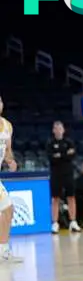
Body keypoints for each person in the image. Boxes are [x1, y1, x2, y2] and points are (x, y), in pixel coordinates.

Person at [46, 121, 80, 234]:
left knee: (71, 197)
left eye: (60, 128)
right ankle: (55, 223)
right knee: (55, 198)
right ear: (53, 131)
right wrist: (65, 154)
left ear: (63, 130)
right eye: (56, 128)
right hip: (56, 174)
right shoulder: (50, 143)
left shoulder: (69, 142)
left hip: (68, 173)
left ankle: (73, 222)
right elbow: (52, 158)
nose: (58, 130)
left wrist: (60, 155)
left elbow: (73, 155)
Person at [0, 96, 22, 264]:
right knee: (6, 210)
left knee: (8, 209)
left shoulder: (7, 125)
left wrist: (11, 161)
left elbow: (8, 150)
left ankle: (4, 250)